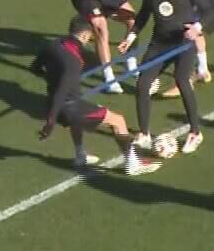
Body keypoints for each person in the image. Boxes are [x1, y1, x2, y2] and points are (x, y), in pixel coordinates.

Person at [30, 15, 160, 176]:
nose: (89, 41)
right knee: (118, 121)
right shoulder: (74, 60)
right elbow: (62, 92)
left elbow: (34, 68)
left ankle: (80, 155)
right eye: (90, 37)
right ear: (84, 35)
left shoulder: (54, 45)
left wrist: (51, 78)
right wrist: (50, 123)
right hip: (67, 107)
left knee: (76, 121)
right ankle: (133, 163)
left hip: (53, 103)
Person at [119, 0, 210, 156]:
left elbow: (208, 10)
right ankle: (144, 133)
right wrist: (131, 37)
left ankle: (195, 132)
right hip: (159, 43)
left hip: (183, 42)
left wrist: (197, 27)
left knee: (182, 80)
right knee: (142, 84)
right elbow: (143, 15)